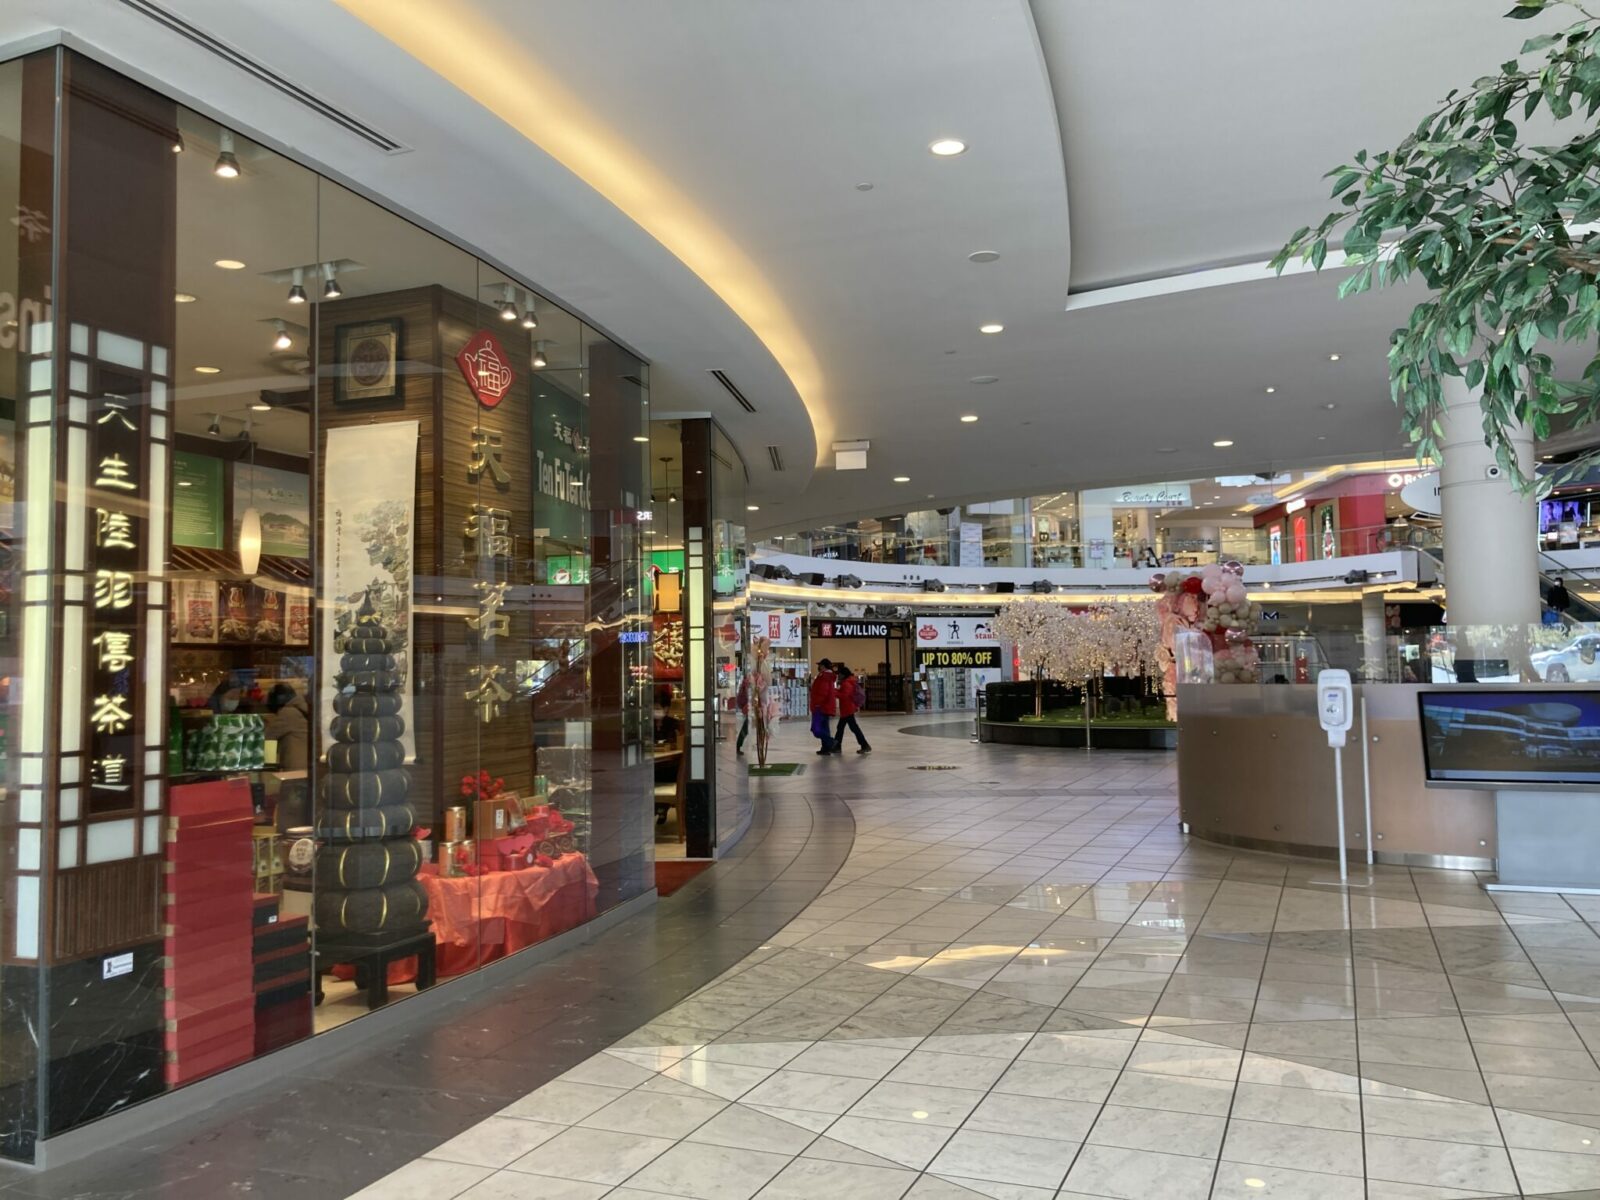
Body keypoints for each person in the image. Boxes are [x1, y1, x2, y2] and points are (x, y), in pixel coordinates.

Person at [833, 665, 872, 754]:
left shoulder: (847, 683)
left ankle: (864, 745)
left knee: (849, 728)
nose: (838, 676)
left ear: (843, 674)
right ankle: (838, 746)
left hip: (847, 709)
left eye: (839, 674)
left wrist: (834, 692)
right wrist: (835, 690)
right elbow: (842, 693)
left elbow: (844, 696)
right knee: (845, 727)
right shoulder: (848, 681)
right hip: (847, 709)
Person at [809, 658, 838, 755]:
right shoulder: (828, 676)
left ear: (823, 666)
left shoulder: (824, 676)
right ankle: (825, 748)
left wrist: (817, 703)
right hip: (826, 706)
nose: (819, 667)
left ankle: (831, 742)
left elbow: (822, 692)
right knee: (824, 728)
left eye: (820, 665)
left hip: (820, 706)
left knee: (816, 729)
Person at [735, 676, 750, 756]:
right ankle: (738, 746)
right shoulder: (744, 689)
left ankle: (738, 746)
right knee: (745, 730)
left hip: (748, 711)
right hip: (748, 711)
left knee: (745, 729)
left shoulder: (743, 688)